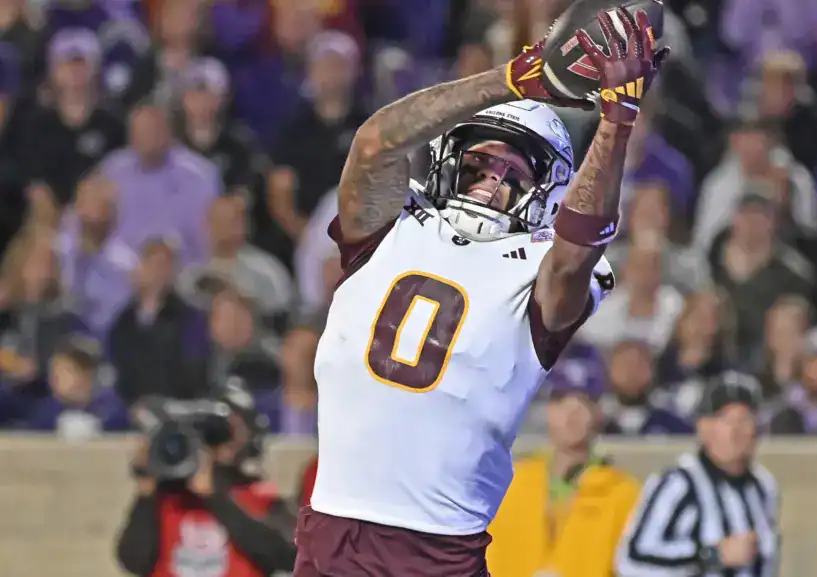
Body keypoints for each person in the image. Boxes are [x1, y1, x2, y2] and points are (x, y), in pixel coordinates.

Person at [295, 7, 668, 577]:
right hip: (332, 531)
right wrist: (513, 79)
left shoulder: (541, 263)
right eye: (481, 162)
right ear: (449, 160)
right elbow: (375, 142)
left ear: (545, 191)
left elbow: (575, 257)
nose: (494, 178)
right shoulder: (391, 229)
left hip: (438, 551)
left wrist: (616, 121)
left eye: (516, 171)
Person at [114, 380, 297, 577]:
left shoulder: (259, 496)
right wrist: (145, 493)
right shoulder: (165, 498)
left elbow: (286, 557)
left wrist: (214, 497)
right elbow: (133, 562)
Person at [485, 358, 641, 577]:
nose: (572, 413)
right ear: (547, 410)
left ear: (599, 413)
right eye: (560, 400)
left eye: (584, 402)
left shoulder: (623, 491)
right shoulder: (510, 481)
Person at [615, 371, 779, 577]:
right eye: (725, 419)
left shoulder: (763, 486)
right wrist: (710, 554)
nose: (735, 430)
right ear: (704, 427)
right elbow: (632, 559)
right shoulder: (679, 484)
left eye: (744, 419)